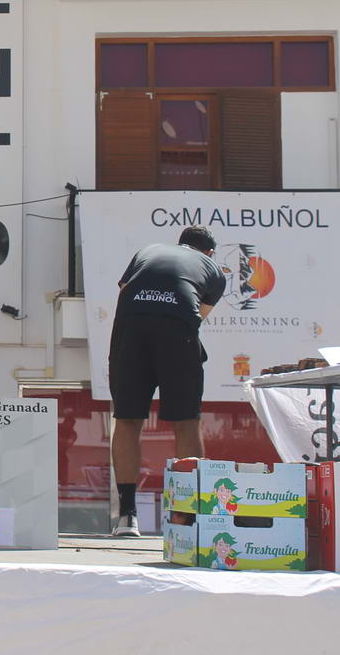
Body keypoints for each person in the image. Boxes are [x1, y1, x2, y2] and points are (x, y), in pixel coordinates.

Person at [109, 225, 225, 537]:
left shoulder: (148, 251)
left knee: (127, 418)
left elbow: (124, 291)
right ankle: (190, 517)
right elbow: (198, 315)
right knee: (186, 420)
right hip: (176, 328)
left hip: (130, 326)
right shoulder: (212, 268)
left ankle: (127, 516)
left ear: (180, 243)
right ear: (209, 252)